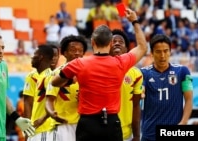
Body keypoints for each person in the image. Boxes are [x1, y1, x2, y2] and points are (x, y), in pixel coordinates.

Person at [51, 8, 147, 141]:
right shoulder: (121, 62)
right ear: (110, 43)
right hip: (112, 122)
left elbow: (54, 82)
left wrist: (71, 80)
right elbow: (143, 47)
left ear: (92, 42)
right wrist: (135, 21)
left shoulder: (79, 63)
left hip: (87, 123)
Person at [140, 34, 193, 141]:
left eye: (165, 51)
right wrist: (141, 93)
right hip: (150, 133)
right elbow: (141, 90)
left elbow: (189, 99)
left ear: (170, 51)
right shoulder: (143, 73)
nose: (162, 55)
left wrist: (183, 122)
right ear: (151, 53)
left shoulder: (182, 71)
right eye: (158, 52)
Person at [45, 35, 88, 141]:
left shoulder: (89, 73)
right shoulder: (56, 74)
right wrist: (52, 114)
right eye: (73, 50)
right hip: (63, 125)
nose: (77, 53)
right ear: (64, 53)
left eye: (80, 50)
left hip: (84, 124)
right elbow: (49, 100)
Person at [110, 29, 143, 141]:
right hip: (102, 133)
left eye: (121, 41)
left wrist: (137, 135)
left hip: (126, 134)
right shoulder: (96, 69)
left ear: (126, 49)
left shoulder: (136, 74)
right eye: (113, 41)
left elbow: (136, 106)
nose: (117, 43)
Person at [23, 44, 55, 141]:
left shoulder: (50, 77)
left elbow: (54, 101)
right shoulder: (35, 76)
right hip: (36, 128)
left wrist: (42, 119)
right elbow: (28, 102)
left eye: (34, 54)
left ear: (40, 57)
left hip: (44, 129)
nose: (32, 57)